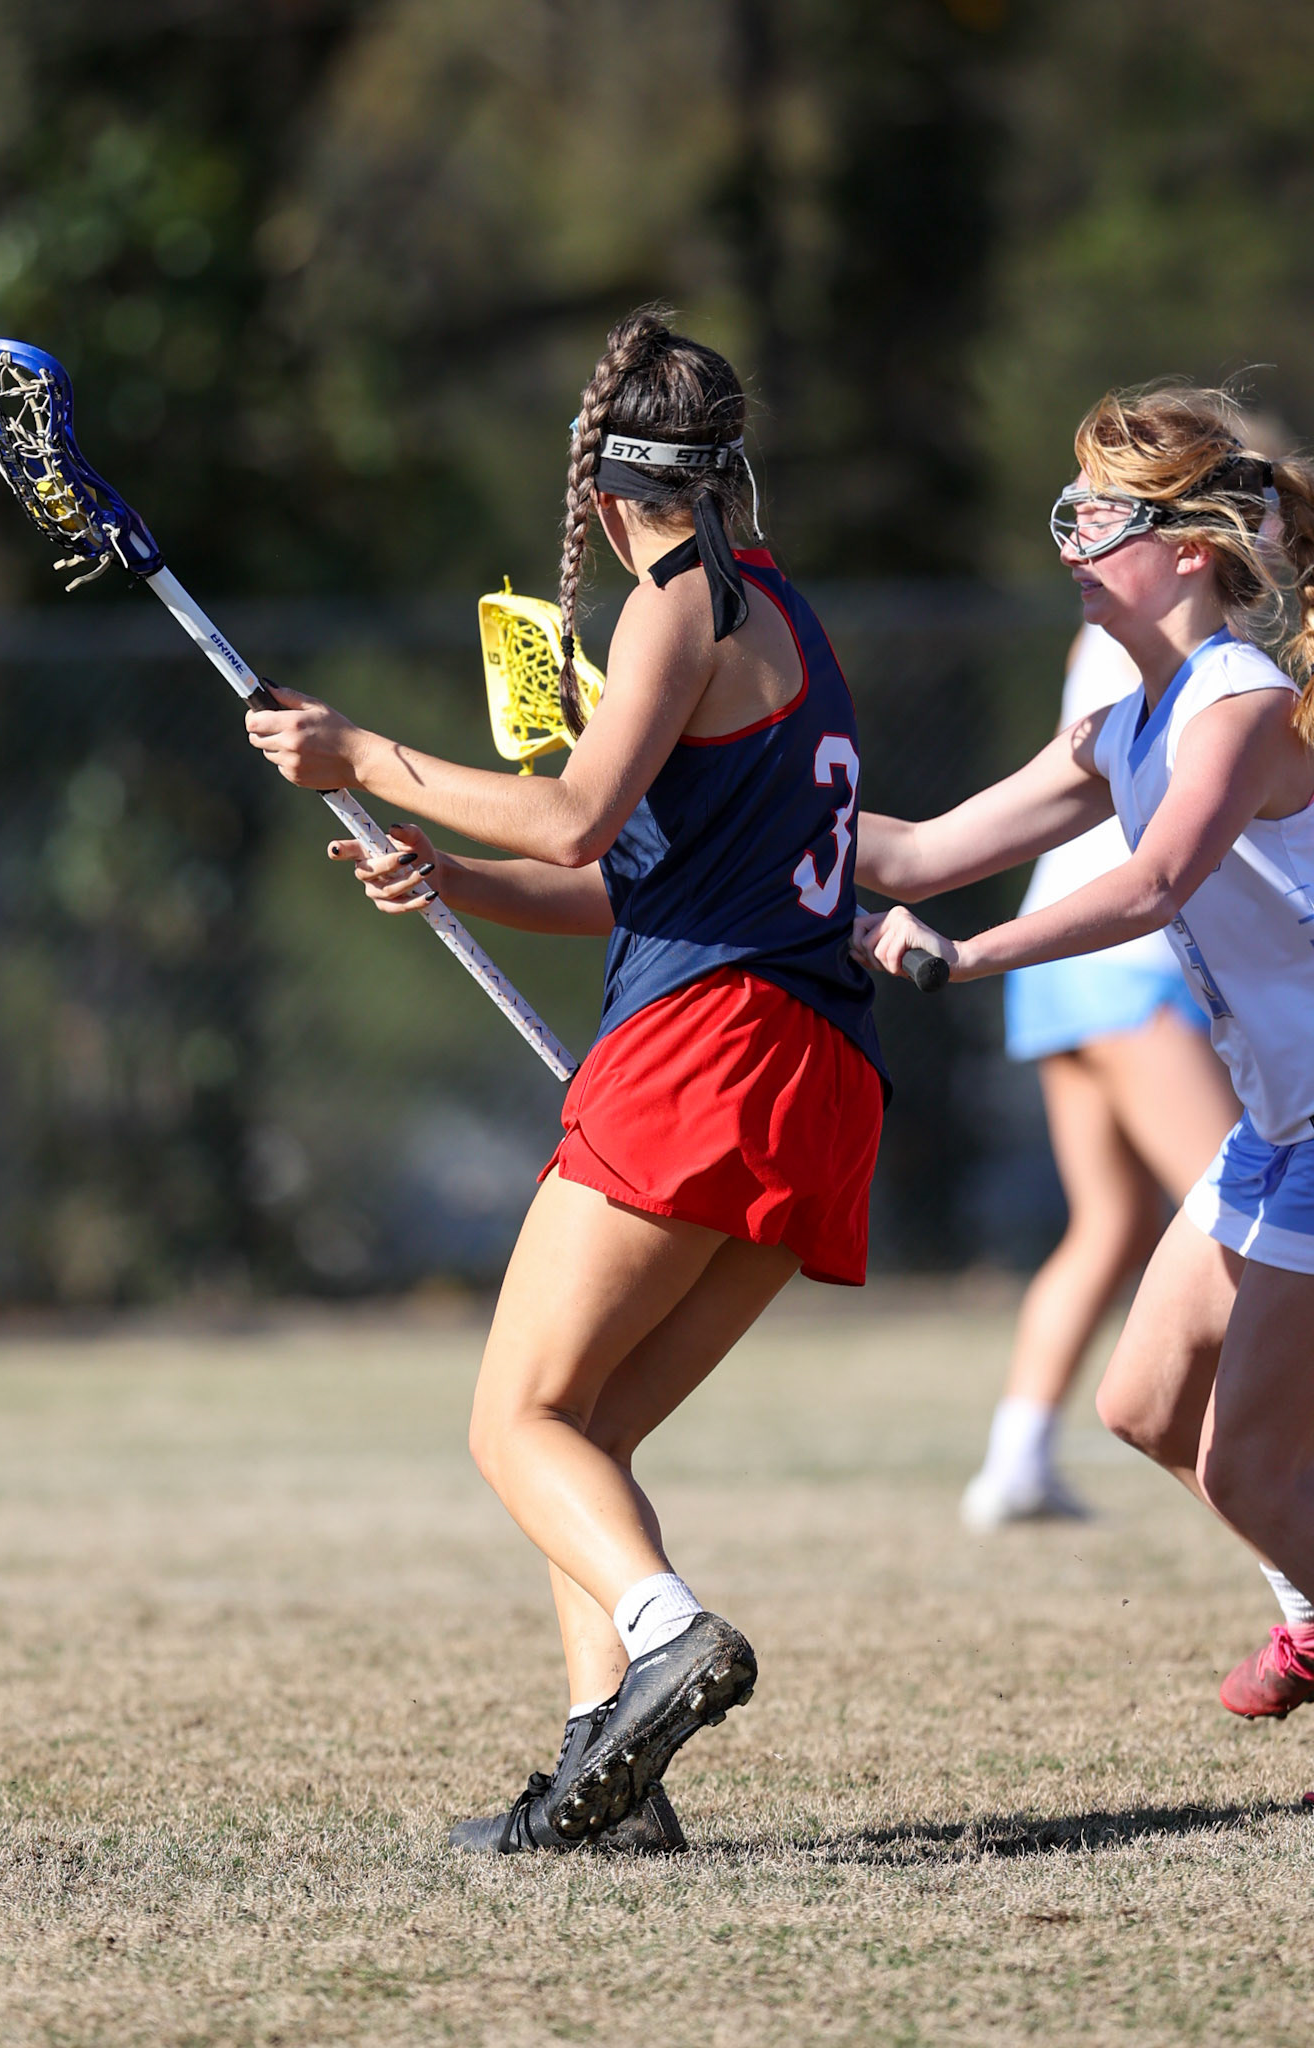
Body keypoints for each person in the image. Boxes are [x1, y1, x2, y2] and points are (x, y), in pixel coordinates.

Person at [245, 308, 889, 1851]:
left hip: (708, 1053)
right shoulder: (775, 604)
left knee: (510, 1424)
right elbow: (633, 879)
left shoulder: (673, 606)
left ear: (606, 492)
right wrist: (451, 880)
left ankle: (668, 1637)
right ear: (730, 472)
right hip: (817, 1067)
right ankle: (617, 1788)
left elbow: (578, 819)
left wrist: (363, 752)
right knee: (579, 1431)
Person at [855, 382, 1314, 1723]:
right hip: (1277, 1127)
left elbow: (1158, 880)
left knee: (1243, 1467)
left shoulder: (1240, 700)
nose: (1067, 547)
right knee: (1143, 1407)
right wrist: (710, 789)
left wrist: (967, 954)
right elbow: (919, 852)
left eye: (1096, 517)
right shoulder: (1121, 727)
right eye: (1066, 513)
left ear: (1188, 544)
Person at [962, 623, 1237, 1530]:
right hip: (1127, 961)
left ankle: (1016, 1461)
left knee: (1111, 1226)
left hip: (1055, 957)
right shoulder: (1186, 645)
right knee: (1252, 1225)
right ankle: (1269, 1461)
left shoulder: (1106, 633)